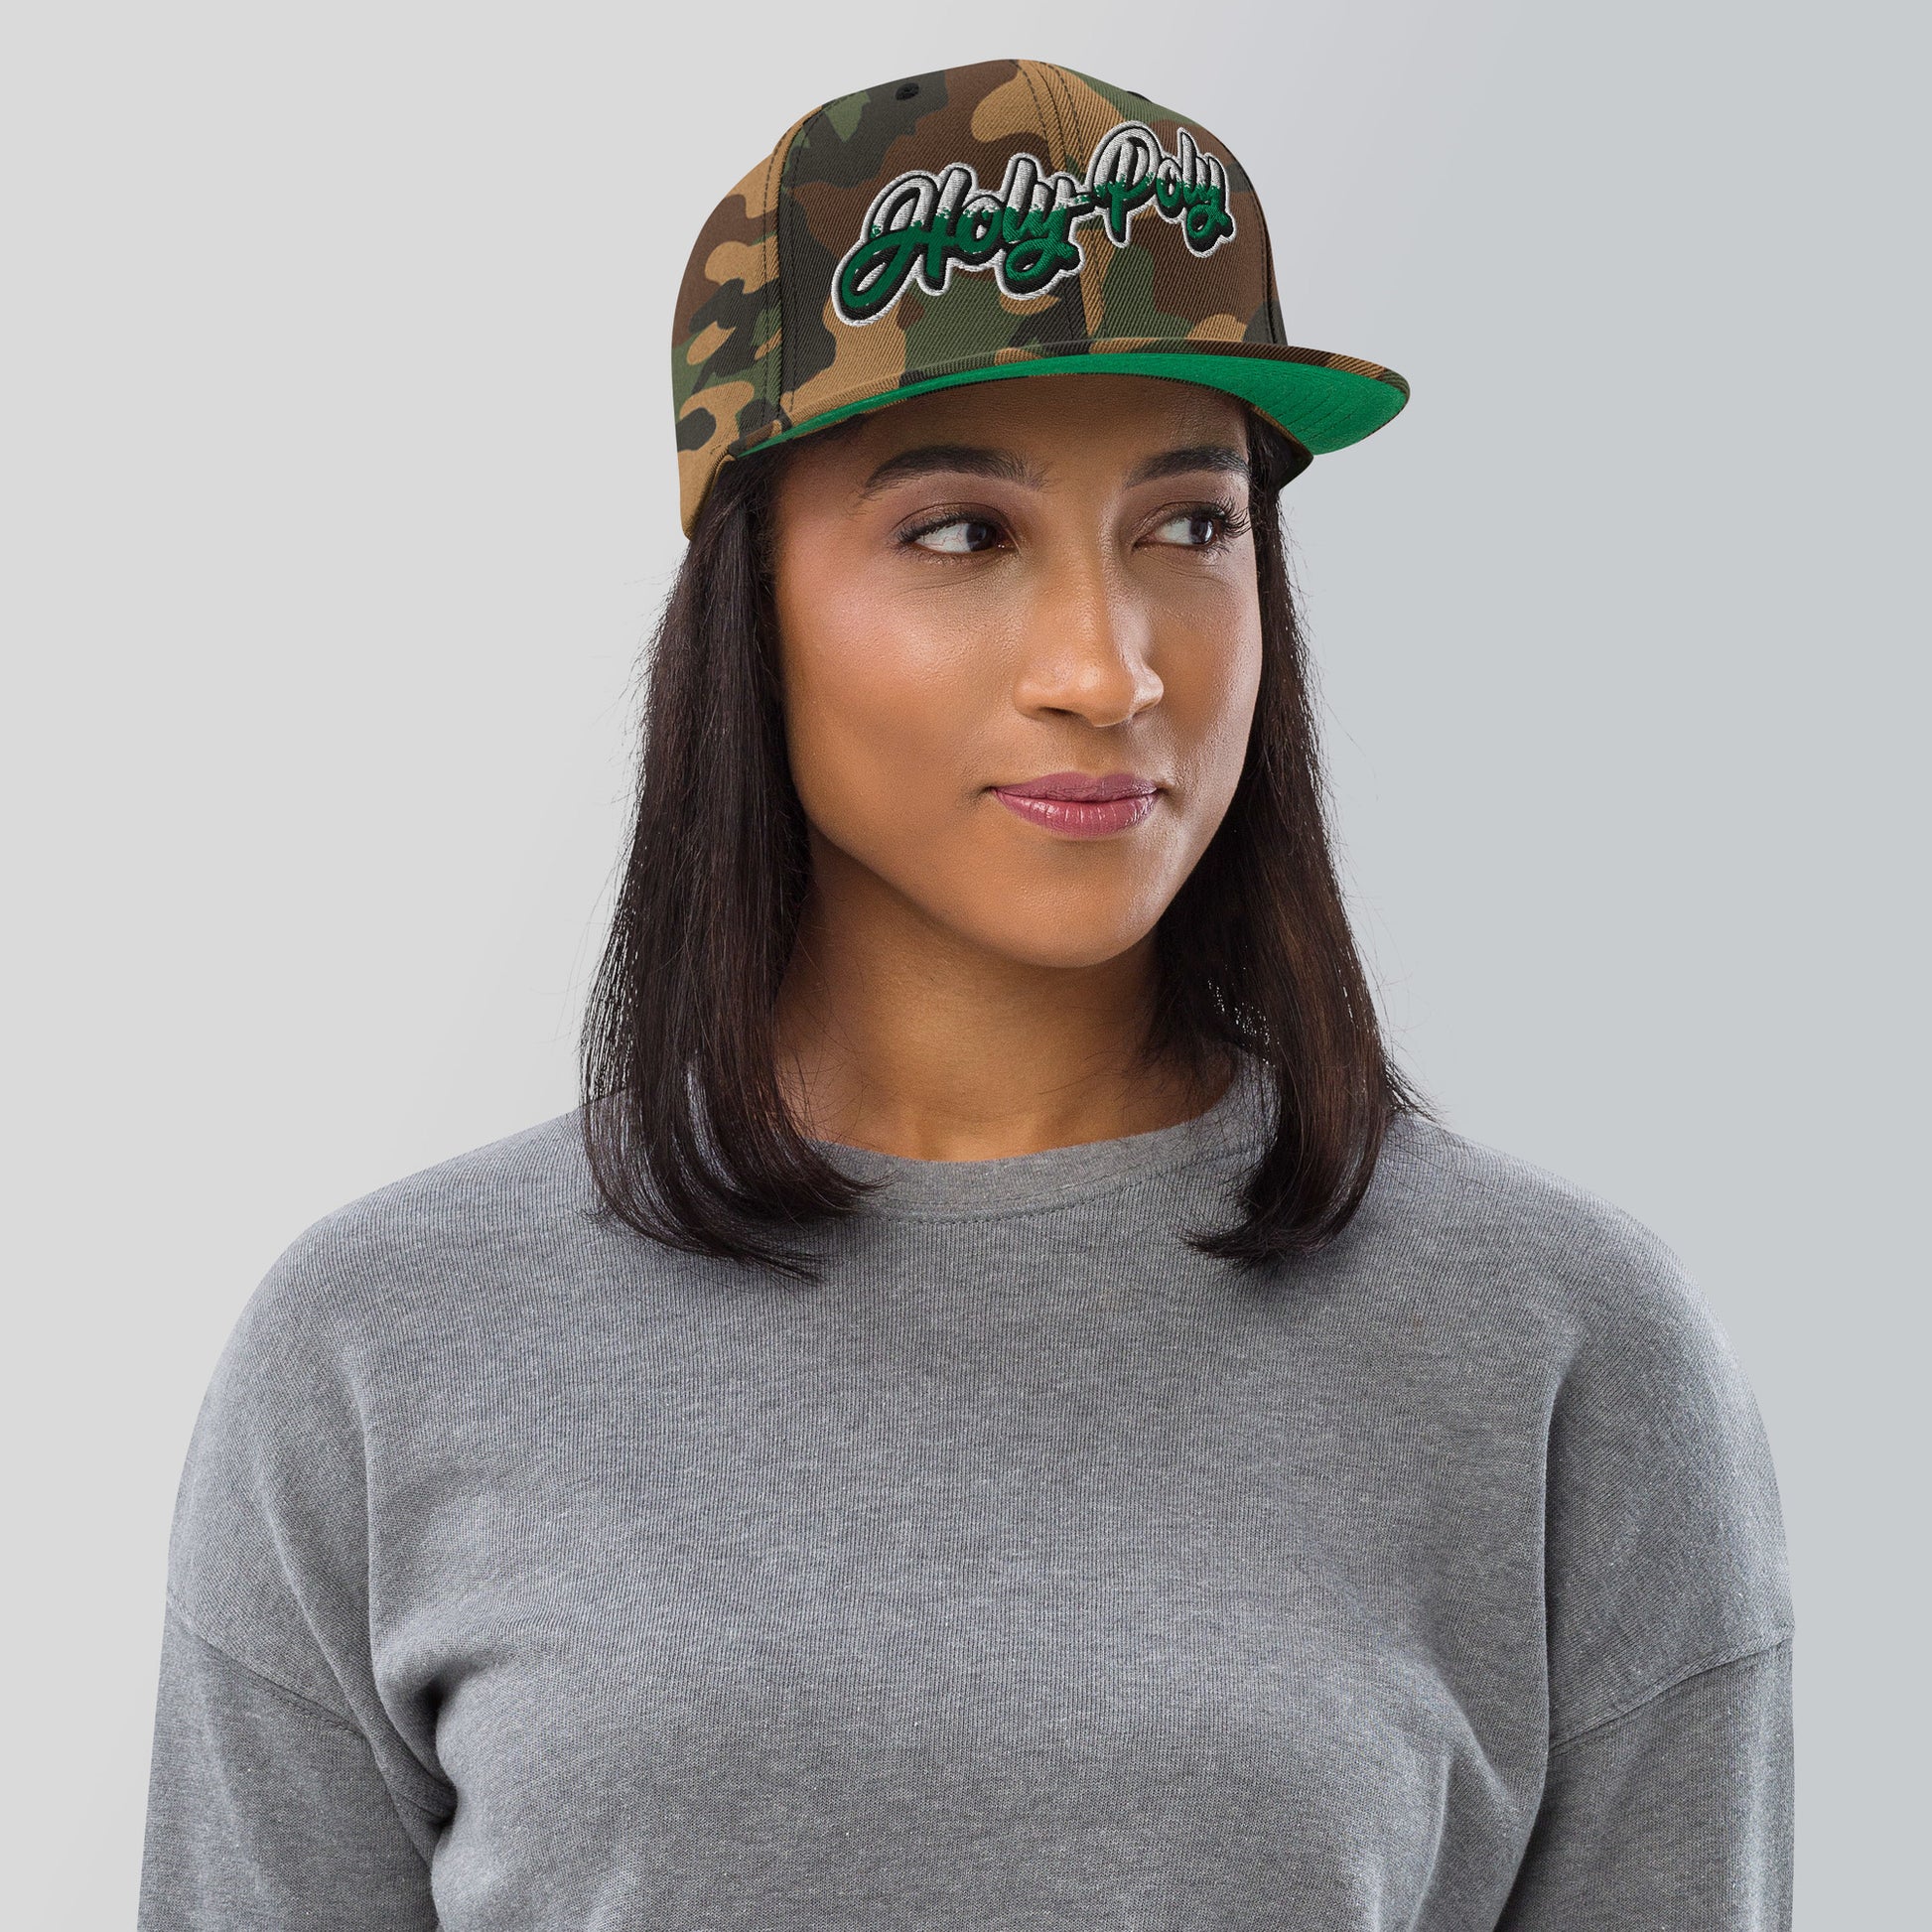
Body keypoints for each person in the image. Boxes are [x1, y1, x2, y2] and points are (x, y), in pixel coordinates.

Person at [137, 58, 1793, 1931]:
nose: (1106, 666)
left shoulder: (1565, 1352)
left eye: (1191, 523)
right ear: (749, 598)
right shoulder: (377, 1350)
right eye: (959, 532)